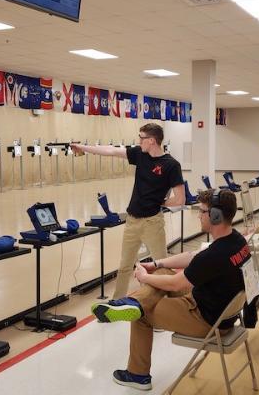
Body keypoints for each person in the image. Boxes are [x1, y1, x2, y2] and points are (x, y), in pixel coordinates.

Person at [91, 189, 250, 391]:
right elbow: (193, 256)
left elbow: (177, 284)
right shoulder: (236, 240)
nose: (199, 215)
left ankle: (137, 375)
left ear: (215, 216)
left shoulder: (215, 255)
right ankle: (136, 301)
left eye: (202, 211)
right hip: (223, 312)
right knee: (164, 271)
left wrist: (144, 277)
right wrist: (157, 264)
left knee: (142, 315)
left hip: (205, 319)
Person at [71, 123, 185, 299]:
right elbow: (111, 151)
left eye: (141, 138)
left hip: (152, 223)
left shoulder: (171, 165)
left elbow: (180, 199)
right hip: (132, 221)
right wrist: (83, 147)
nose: (139, 141)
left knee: (162, 266)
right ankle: (117, 302)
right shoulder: (140, 154)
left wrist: (159, 202)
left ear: (152, 141)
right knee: (125, 266)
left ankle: (173, 304)